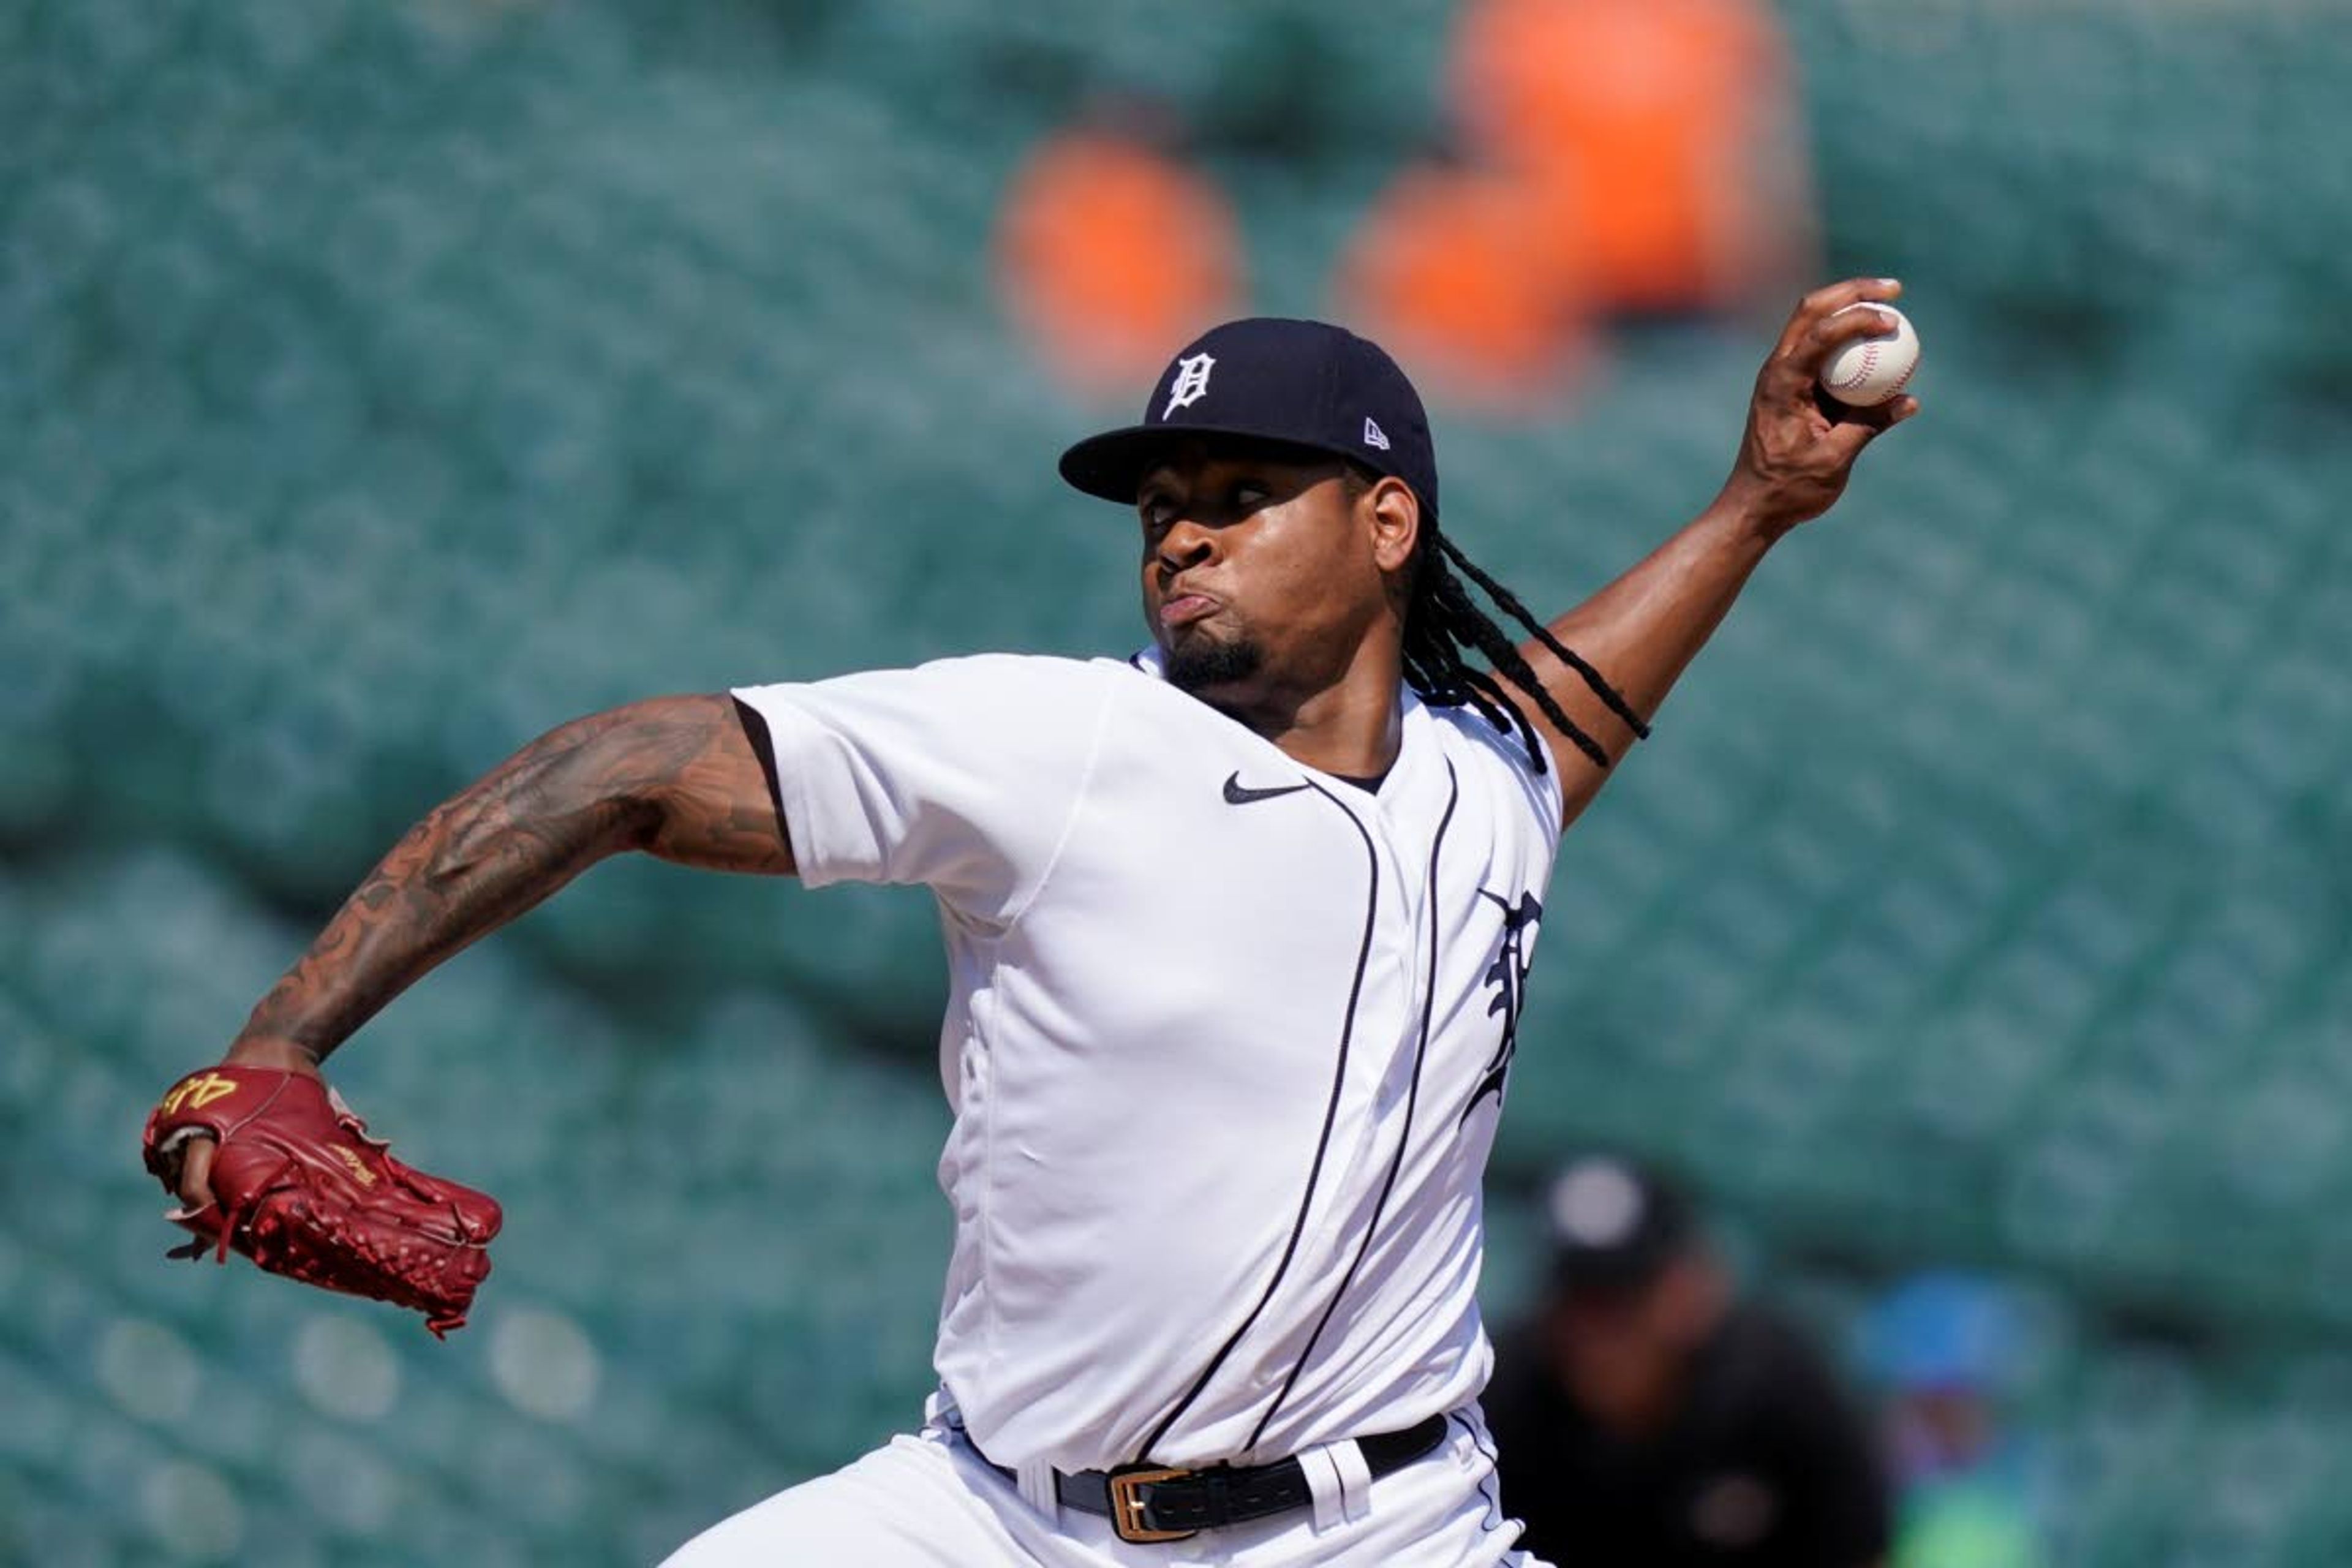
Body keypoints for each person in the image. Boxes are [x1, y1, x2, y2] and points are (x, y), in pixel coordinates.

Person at [146, 281, 1918, 1565]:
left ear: (1391, 524)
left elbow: (1565, 711)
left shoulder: (1482, 787)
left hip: (1387, 1534)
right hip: (994, 1522)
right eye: (1163, 511)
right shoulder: (1064, 745)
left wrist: (1761, 503)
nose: (1183, 540)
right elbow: (627, 767)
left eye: (1241, 497)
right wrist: (284, 1043)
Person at [1483, 1156, 1891, 1567]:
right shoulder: (1508, 1398)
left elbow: (1859, 1544)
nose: (1597, 1331)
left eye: (1622, 1299)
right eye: (1578, 1297)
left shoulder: (1772, 1384)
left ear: (1685, 1288)